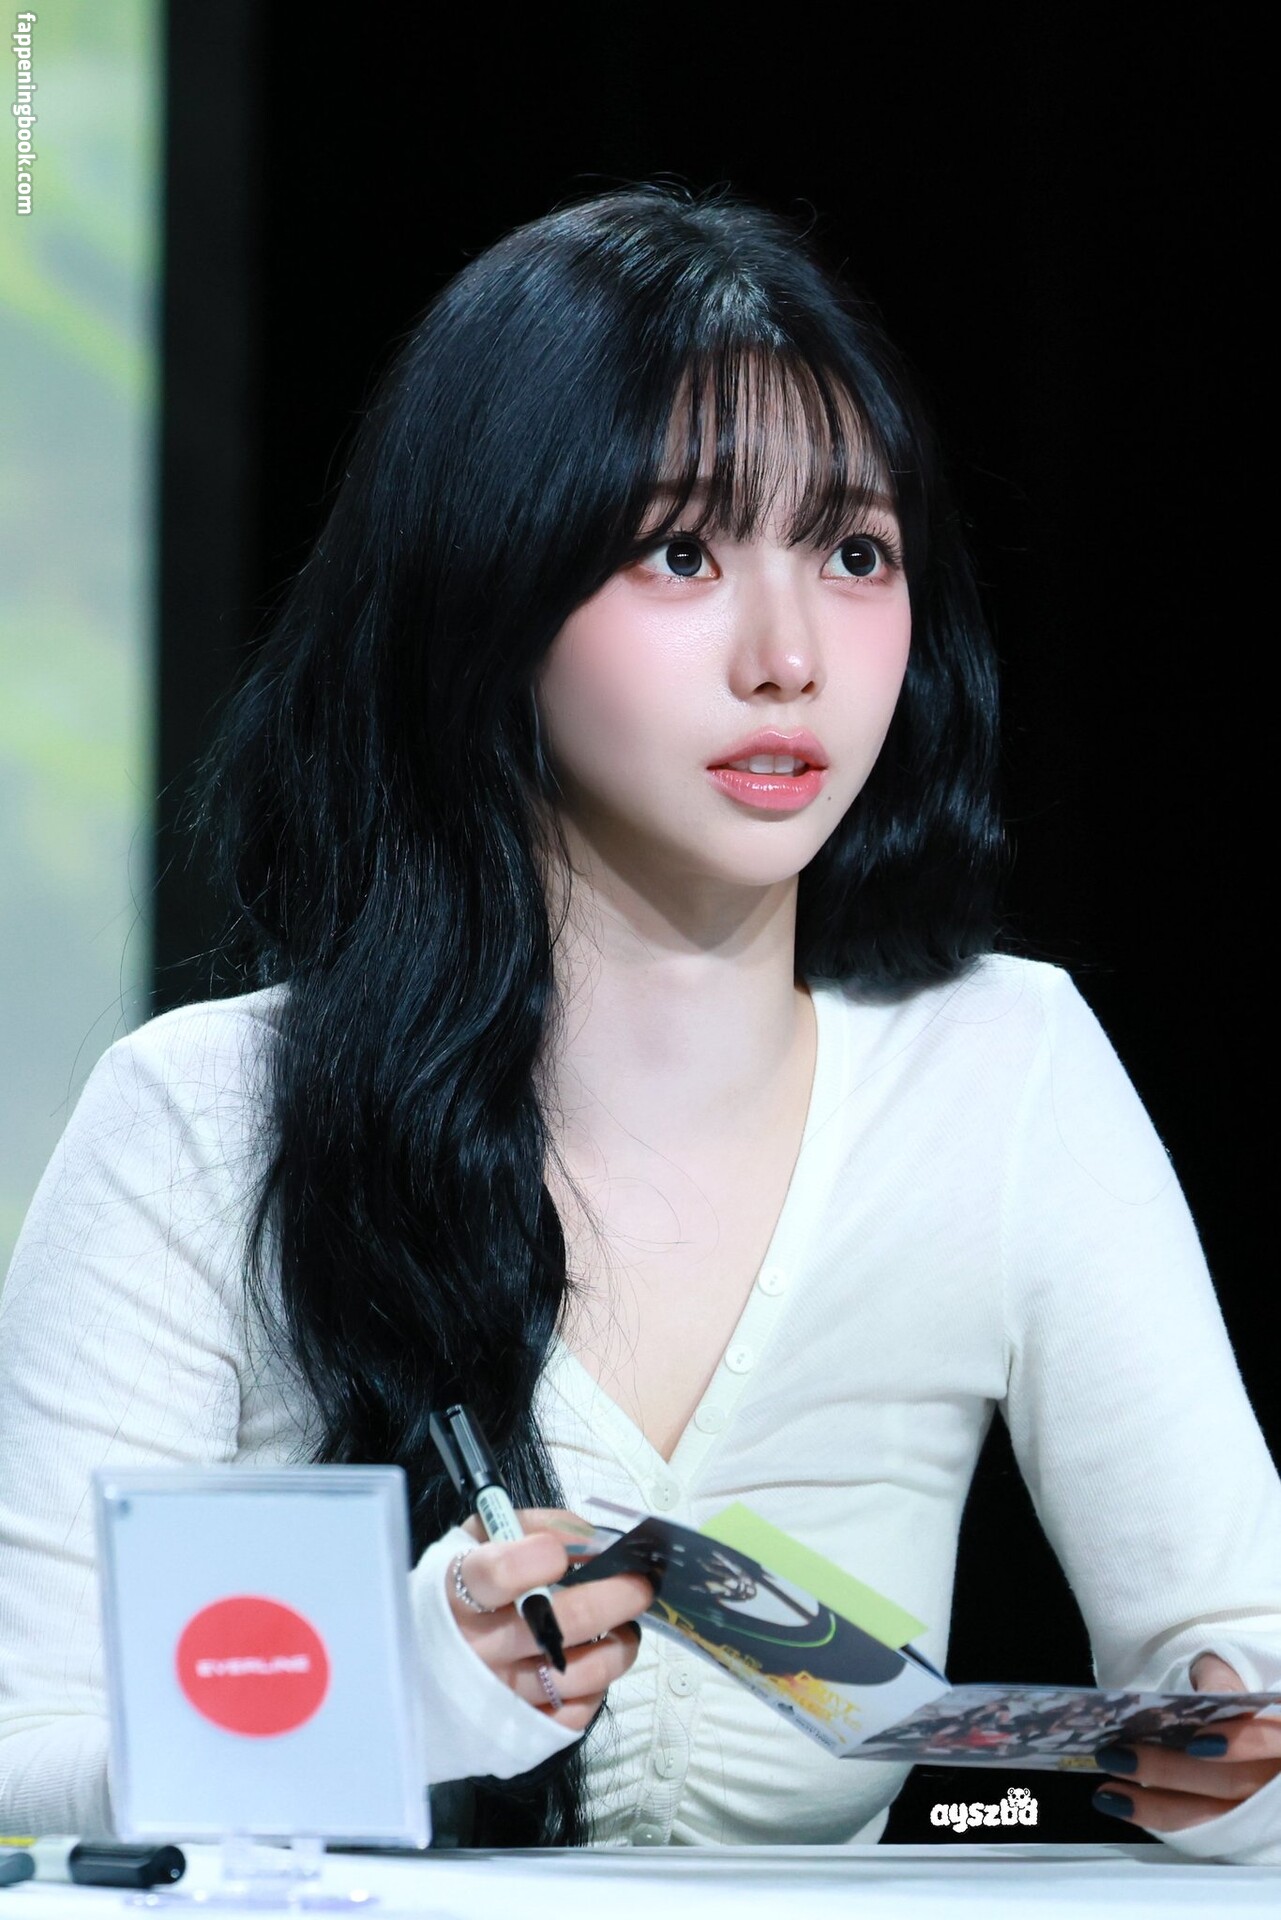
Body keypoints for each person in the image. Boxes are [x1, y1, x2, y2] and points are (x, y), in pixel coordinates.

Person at [1, 184, 1279, 1857]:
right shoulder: (207, 1115)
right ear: (488, 592)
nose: (788, 655)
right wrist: (382, 1700)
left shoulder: (1002, 1065)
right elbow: (21, 1762)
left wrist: (1196, 1765)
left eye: (854, 552)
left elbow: (1233, 1677)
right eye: (680, 551)